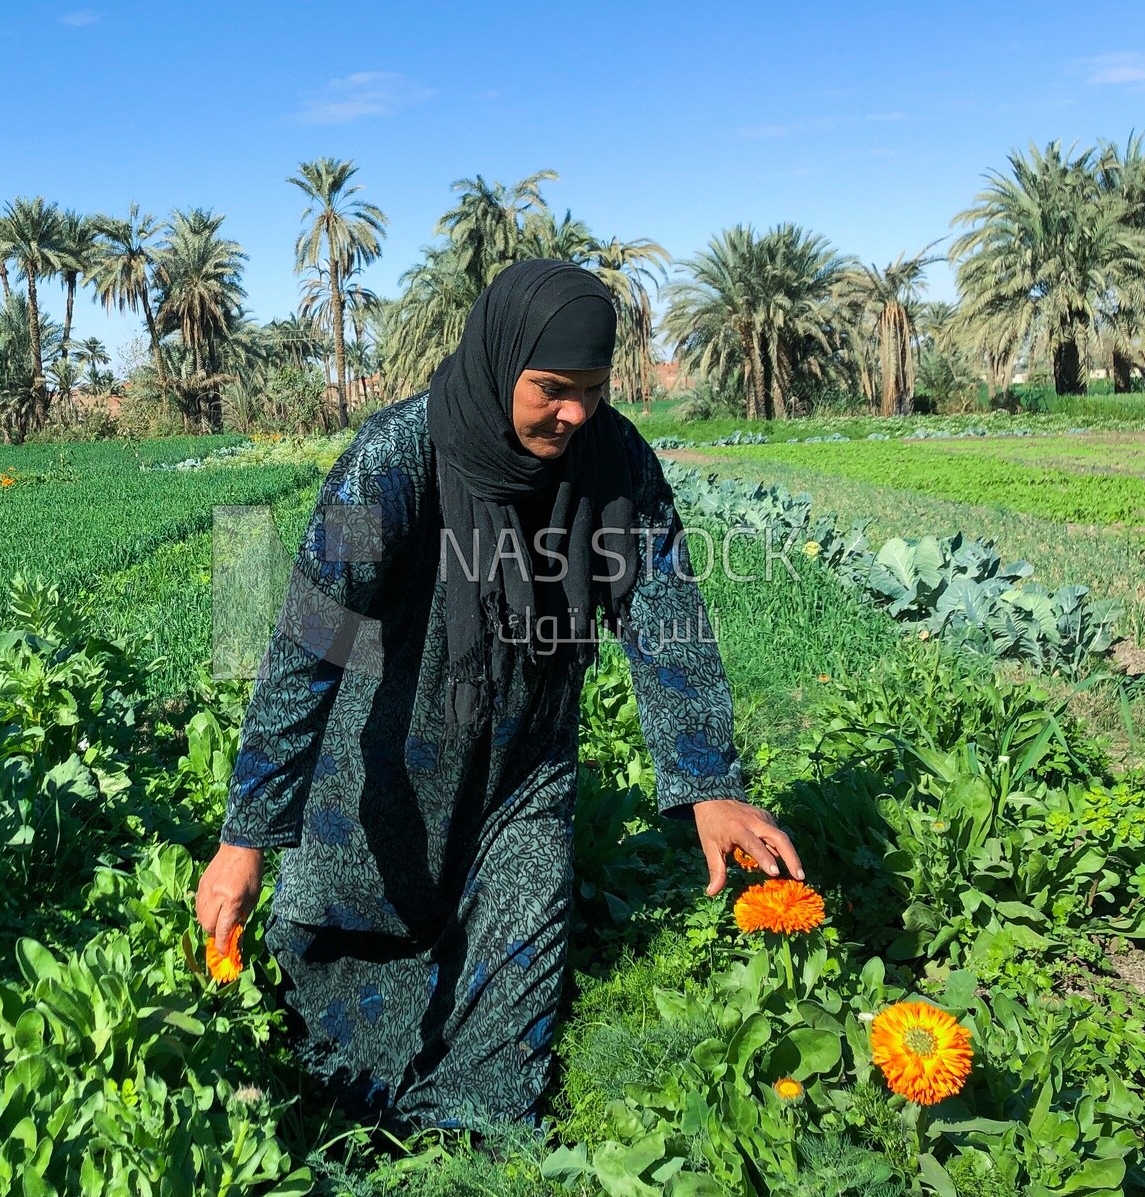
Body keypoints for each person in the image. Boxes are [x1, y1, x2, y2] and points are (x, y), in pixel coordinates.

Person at [196, 258, 803, 1127]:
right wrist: (248, 833)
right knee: (335, 986)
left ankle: (464, 1145)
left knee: (503, 1042)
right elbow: (310, 640)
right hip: (393, 747)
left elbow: (663, 605)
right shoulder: (398, 456)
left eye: (593, 389)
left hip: (527, 759)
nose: (575, 413)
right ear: (499, 358)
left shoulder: (614, 459)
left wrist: (708, 778)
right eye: (553, 388)